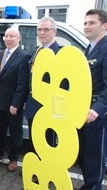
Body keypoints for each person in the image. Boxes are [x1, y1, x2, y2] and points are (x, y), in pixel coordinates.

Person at [0, 28, 31, 172]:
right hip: (0, 101)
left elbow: (22, 84)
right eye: (7, 36)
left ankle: (14, 159)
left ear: (19, 38)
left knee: (15, 133)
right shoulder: (0, 54)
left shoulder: (23, 56)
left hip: (13, 104)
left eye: (12, 36)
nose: (9, 39)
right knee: (1, 130)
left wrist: (16, 104)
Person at [78, 9, 107, 190]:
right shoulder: (90, 48)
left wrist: (98, 108)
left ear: (104, 26)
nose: (87, 26)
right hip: (84, 112)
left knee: (95, 160)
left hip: (97, 115)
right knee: (86, 158)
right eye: (85, 23)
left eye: (92, 23)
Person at [24, 16, 62, 153]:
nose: (41, 33)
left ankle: (47, 172)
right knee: (34, 139)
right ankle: (36, 169)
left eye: (46, 29)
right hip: (33, 105)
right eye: (39, 29)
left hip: (49, 107)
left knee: (48, 142)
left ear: (55, 32)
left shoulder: (60, 53)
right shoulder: (37, 51)